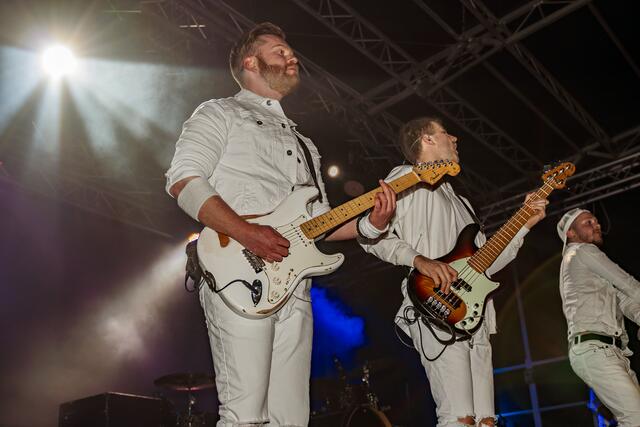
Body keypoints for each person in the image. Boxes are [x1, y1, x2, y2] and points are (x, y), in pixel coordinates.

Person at [164, 22, 396, 427]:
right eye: (279, 51)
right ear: (251, 63)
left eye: (291, 51)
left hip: (295, 288)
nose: (292, 57)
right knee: (244, 415)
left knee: (291, 418)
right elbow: (183, 180)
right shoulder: (220, 112)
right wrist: (247, 232)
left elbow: (319, 224)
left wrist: (371, 224)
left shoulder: (306, 144)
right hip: (240, 274)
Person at [359, 117, 548, 427]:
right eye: (446, 133)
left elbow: (487, 263)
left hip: (473, 315)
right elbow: (371, 238)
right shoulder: (406, 177)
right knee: (459, 418)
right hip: (435, 306)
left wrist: (524, 223)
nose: (456, 139)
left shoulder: (463, 203)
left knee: (486, 421)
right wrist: (420, 260)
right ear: (427, 140)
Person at [557, 208, 640, 426]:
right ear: (571, 233)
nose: (597, 224)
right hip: (595, 349)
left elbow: (626, 300)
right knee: (635, 417)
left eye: (596, 221)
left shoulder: (588, 269)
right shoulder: (582, 251)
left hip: (607, 351)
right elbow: (627, 283)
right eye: (588, 222)